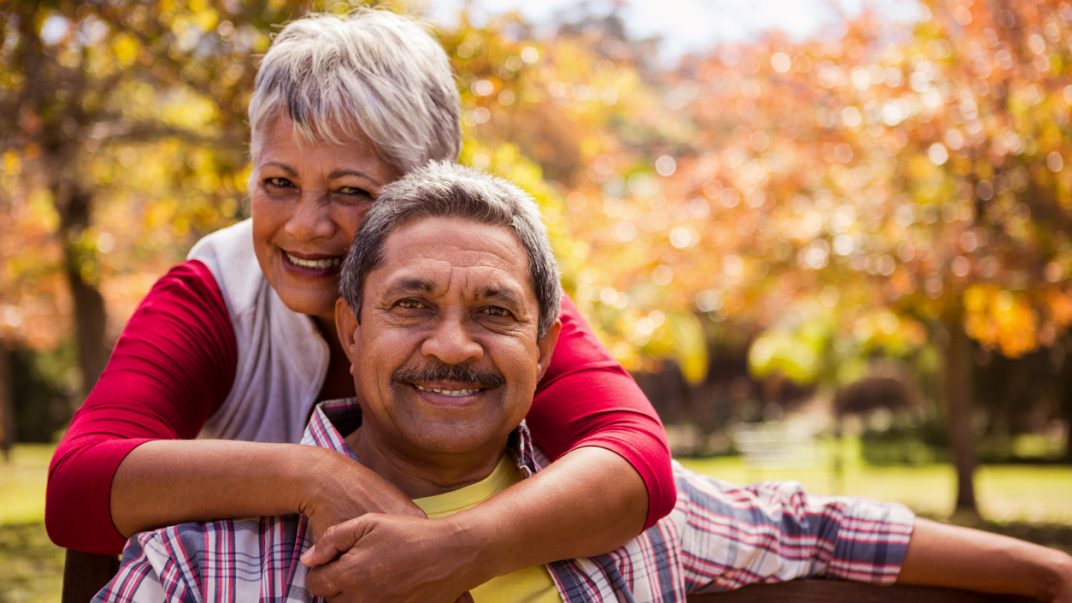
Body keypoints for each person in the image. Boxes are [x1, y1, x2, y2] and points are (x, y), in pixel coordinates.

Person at [95, 161, 1072, 602]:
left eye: (493, 313)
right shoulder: (199, 562)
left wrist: (1049, 575)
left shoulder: (626, 515)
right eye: (409, 306)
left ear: (548, 342)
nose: (453, 345)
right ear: (346, 329)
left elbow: (815, 528)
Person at [46, 8, 675, 599]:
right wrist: (317, 478)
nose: (305, 226)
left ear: (428, 194)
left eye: (350, 191)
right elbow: (77, 482)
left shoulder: (485, 300)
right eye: (278, 183)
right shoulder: (216, 289)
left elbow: (634, 456)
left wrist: (456, 549)